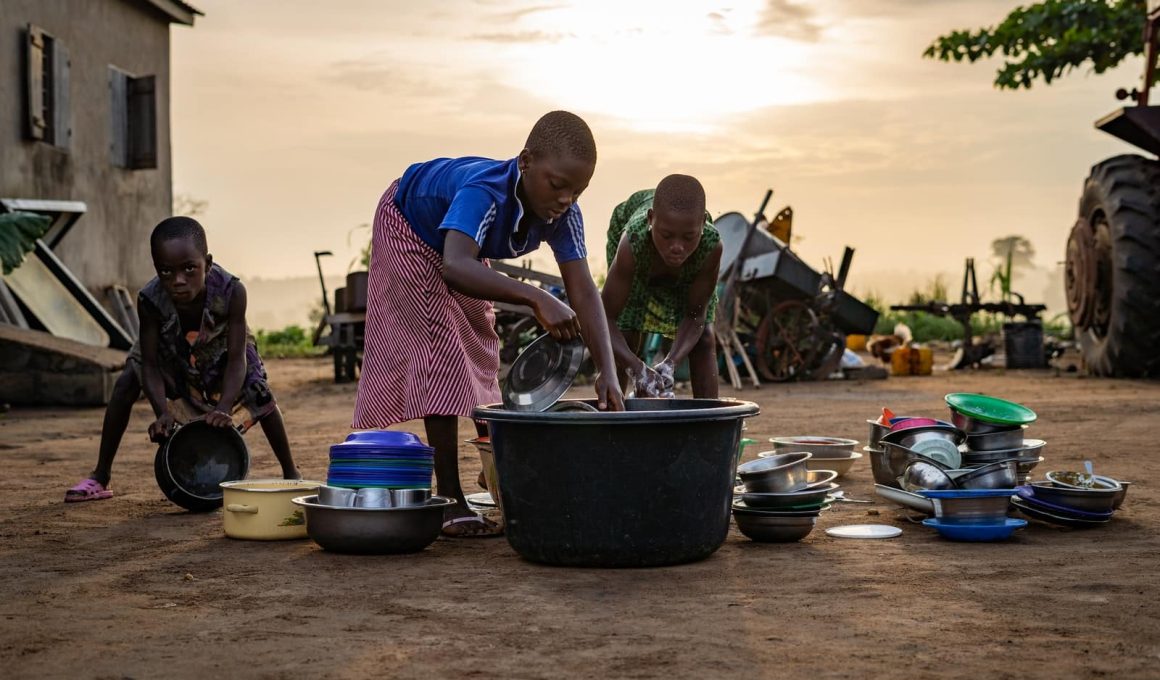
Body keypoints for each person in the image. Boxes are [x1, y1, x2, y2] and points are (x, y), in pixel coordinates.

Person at [352, 111, 625, 538]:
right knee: (439, 352)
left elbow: (584, 290)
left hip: (454, 248)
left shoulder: (564, 214)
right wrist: (536, 298)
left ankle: (493, 466)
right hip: (409, 226)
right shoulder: (485, 192)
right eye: (557, 185)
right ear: (526, 161)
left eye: (578, 190)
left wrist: (608, 371)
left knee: (480, 341)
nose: (566, 199)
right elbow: (456, 266)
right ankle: (449, 501)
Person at [65, 217, 299, 502]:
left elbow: (238, 358)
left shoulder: (232, 292)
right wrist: (162, 411)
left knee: (259, 392)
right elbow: (149, 363)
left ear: (208, 264)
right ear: (157, 270)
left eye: (190, 269)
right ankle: (100, 476)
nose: (178, 280)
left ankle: (292, 476)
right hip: (171, 350)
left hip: (224, 351)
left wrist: (224, 407)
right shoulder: (150, 300)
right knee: (127, 380)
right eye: (166, 271)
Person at [601, 174, 723, 399]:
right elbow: (605, 318)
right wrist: (637, 368)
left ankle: (709, 423)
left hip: (688, 268)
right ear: (650, 219)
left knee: (704, 337)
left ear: (702, 226)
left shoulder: (710, 246)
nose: (677, 247)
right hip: (639, 250)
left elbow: (695, 315)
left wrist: (670, 364)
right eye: (666, 236)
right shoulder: (633, 242)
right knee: (626, 330)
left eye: (689, 237)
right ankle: (610, 417)